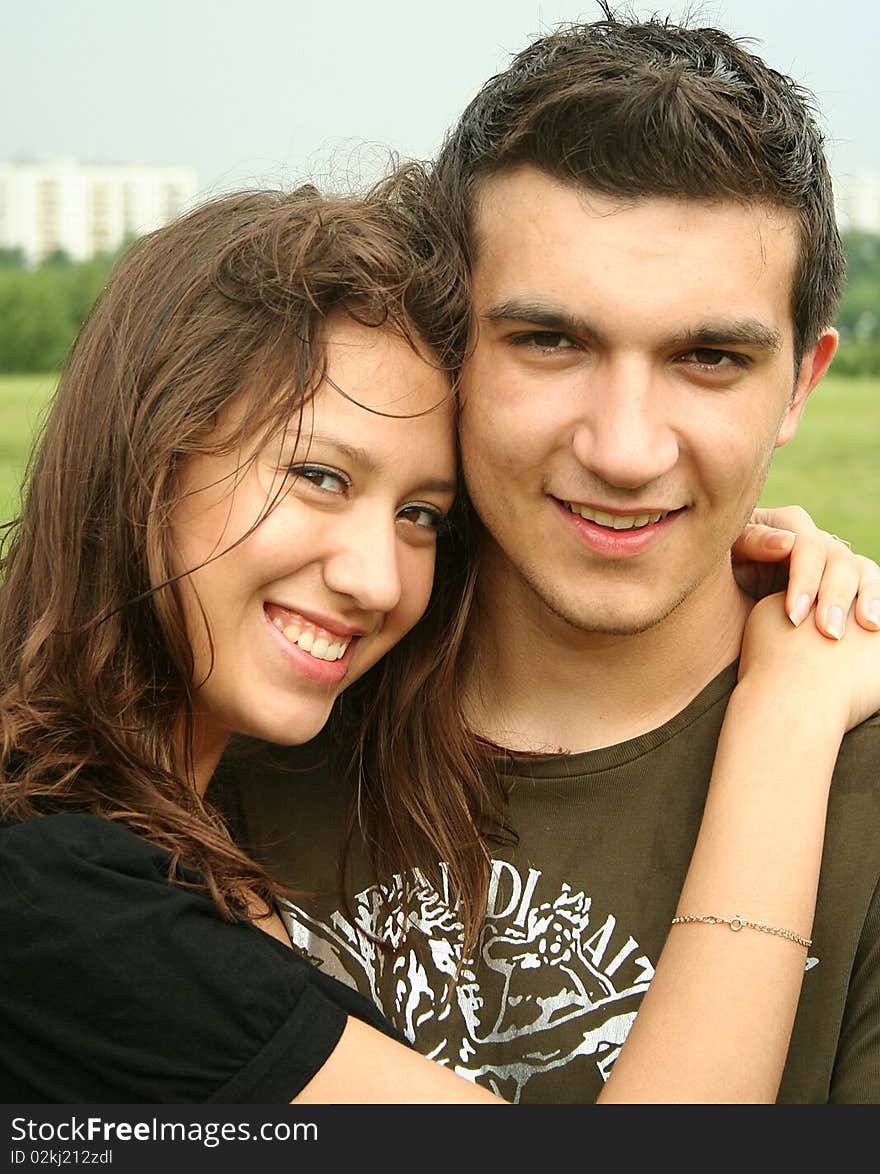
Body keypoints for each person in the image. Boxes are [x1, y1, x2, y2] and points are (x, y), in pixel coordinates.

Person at [1, 165, 877, 1106]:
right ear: (146, 454)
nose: (376, 579)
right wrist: (786, 718)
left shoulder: (179, 805)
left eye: (423, 514)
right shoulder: (55, 884)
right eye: (321, 477)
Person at [230, 8, 880, 1104]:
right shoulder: (234, 715)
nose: (623, 450)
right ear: (449, 344)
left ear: (799, 386)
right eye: (550, 340)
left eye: (709, 357)